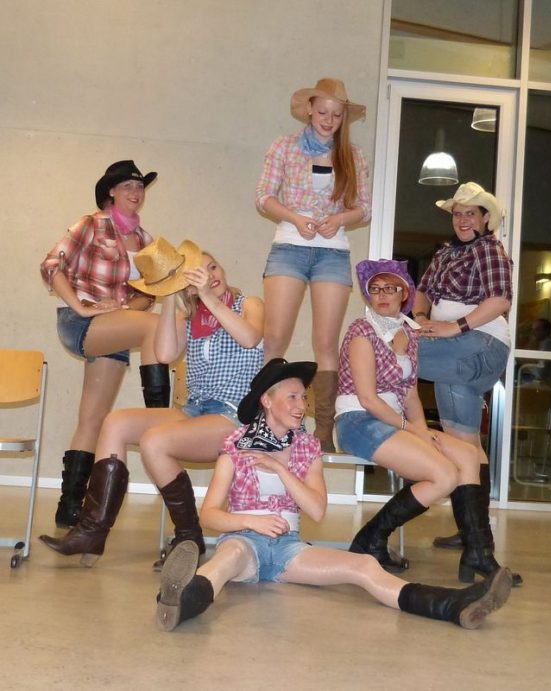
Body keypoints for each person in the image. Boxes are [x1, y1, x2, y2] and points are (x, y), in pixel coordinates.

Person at [155, 358, 512, 632]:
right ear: (267, 400)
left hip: (288, 549)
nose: (301, 405)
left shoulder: (307, 448)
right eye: (292, 397)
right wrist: (252, 521)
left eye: (303, 397)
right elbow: (209, 515)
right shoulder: (235, 447)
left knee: (365, 566)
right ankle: (178, 601)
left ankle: (454, 606)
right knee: (228, 557)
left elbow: (316, 510)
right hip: (244, 540)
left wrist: (281, 470)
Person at [39, 238, 264, 568]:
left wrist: (208, 297)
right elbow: (164, 353)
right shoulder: (189, 317)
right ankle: (92, 531)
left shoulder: (248, 304)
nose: (211, 275)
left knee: (155, 441)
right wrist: (169, 296)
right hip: (195, 412)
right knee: (115, 422)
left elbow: (250, 337)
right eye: (198, 274)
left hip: (235, 415)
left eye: (213, 266)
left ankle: (188, 536)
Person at [334, 259, 520, 586]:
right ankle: (370, 539)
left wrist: (419, 429)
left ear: (404, 293)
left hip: (395, 423)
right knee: (444, 475)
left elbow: (410, 396)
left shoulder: (409, 333)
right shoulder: (361, 331)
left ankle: (478, 553)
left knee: (466, 454)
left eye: (390, 288)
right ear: (367, 295)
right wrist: (414, 431)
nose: (382, 295)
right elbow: (368, 399)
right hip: (358, 420)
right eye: (375, 289)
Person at [40, 160, 167, 529]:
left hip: (114, 327)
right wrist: (82, 305)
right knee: (156, 328)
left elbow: (148, 295)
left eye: (140, 186)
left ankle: (69, 506)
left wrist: (126, 310)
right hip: (80, 322)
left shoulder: (146, 241)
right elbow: (51, 266)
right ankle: (159, 419)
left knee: (92, 419)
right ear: (111, 191)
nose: (135, 192)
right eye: (127, 185)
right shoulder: (91, 224)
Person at [255, 78, 371, 452]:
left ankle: (322, 432)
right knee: (275, 336)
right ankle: (267, 422)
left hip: (333, 252)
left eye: (336, 115)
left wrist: (339, 219)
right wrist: (295, 217)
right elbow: (263, 197)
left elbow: (364, 208)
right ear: (309, 109)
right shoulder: (284, 146)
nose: (328, 120)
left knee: (325, 342)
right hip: (289, 246)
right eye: (322, 112)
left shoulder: (352, 155)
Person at [412, 182, 520, 581]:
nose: (462, 220)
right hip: (452, 352)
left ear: (485, 219)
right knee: (465, 444)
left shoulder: (489, 249)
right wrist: (421, 318)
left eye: (470, 213)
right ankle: (475, 536)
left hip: (478, 343)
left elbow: (500, 299)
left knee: (389, 354)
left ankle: (375, 419)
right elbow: (422, 292)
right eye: (457, 214)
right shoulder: (444, 253)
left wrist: (452, 327)